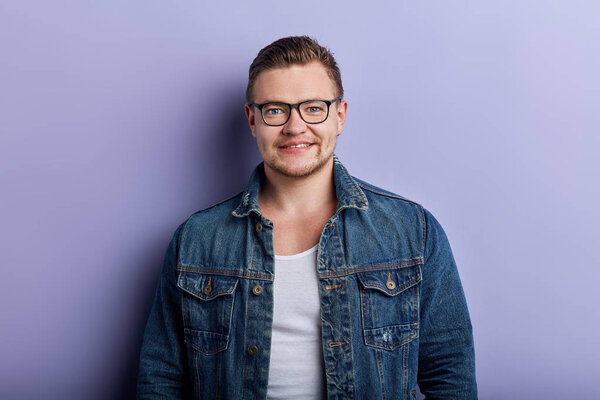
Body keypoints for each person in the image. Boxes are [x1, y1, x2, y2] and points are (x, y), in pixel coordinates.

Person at [137, 35, 477, 400]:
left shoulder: (413, 232)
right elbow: (161, 380)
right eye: (275, 109)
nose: (294, 127)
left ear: (340, 115)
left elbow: (451, 378)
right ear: (252, 119)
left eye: (313, 108)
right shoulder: (196, 240)